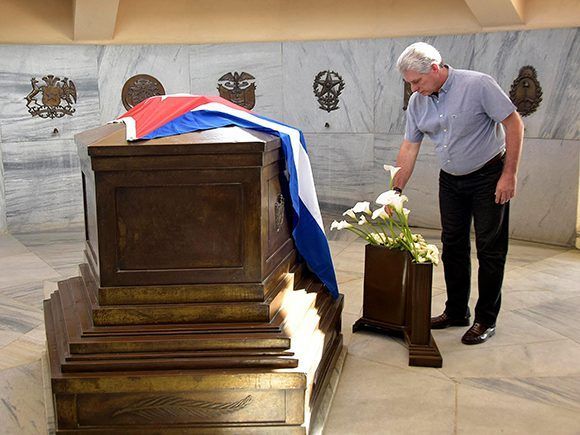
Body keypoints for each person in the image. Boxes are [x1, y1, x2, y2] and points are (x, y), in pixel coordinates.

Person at [392, 42, 524, 345]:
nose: (413, 89)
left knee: (490, 249)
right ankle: (455, 312)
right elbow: (409, 147)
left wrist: (509, 174)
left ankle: (485, 319)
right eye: (409, 83)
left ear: (435, 68)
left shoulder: (478, 85)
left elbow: (514, 125)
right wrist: (395, 190)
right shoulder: (418, 102)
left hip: (489, 175)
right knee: (452, 245)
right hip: (451, 180)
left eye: (417, 81)